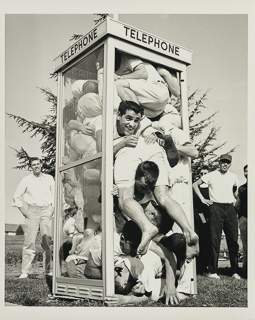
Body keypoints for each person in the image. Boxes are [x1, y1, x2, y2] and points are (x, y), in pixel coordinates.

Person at [113, 101, 198, 260]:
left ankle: (147, 227)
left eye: (136, 120)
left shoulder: (111, 128)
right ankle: (188, 230)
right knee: (164, 197)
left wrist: (124, 143)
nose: (132, 124)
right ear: (118, 115)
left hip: (133, 149)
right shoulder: (110, 125)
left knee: (125, 199)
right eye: (128, 119)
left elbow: (102, 155)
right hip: (150, 149)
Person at [193, 154, 241, 279]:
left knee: (233, 240)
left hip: (230, 209)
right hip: (216, 208)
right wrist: (203, 199)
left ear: (230, 164)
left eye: (227, 162)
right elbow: (194, 185)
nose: (225, 164)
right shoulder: (211, 175)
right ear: (219, 163)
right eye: (223, 162)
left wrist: (236, 202)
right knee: (215, 240)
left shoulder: (233, 176)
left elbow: (236, 190)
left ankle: (235, 271)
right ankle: (212, 271)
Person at [12, 157, 55, 279]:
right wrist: (25, 212)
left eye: (38, 164)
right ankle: (25, 271)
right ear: (31, 167)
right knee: (29, 242)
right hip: (32, 211)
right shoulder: (26, 180)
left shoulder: (49, 178)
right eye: (33, 165)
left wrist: (52, 210)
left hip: (46, 210)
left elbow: (55, 195)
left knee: (47, 242)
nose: (36, 166)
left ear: (41, 165)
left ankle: (48, 270)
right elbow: (16, 196)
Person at [114, 53, 169, 119]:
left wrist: (119, 77)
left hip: (156, 92)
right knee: (128, 115)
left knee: (116, 85)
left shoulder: (128, 57)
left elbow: (143, 74)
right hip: (155, 110)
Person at [193, 165, 211, 274]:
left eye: (206, 174)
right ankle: (198, 267)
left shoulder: (211, 187)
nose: (204, 176)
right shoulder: (195, 189)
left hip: (209, 219)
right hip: (198, 219)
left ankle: (205, 267)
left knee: (207, 243)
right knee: (198, 242)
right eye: (201, 174)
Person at [235, 164, 248, 277]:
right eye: (245, 171)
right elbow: (237, 205)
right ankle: (246, 271)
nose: (247, 173)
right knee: (246, 246)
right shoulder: (241, 188)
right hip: (244, 219)